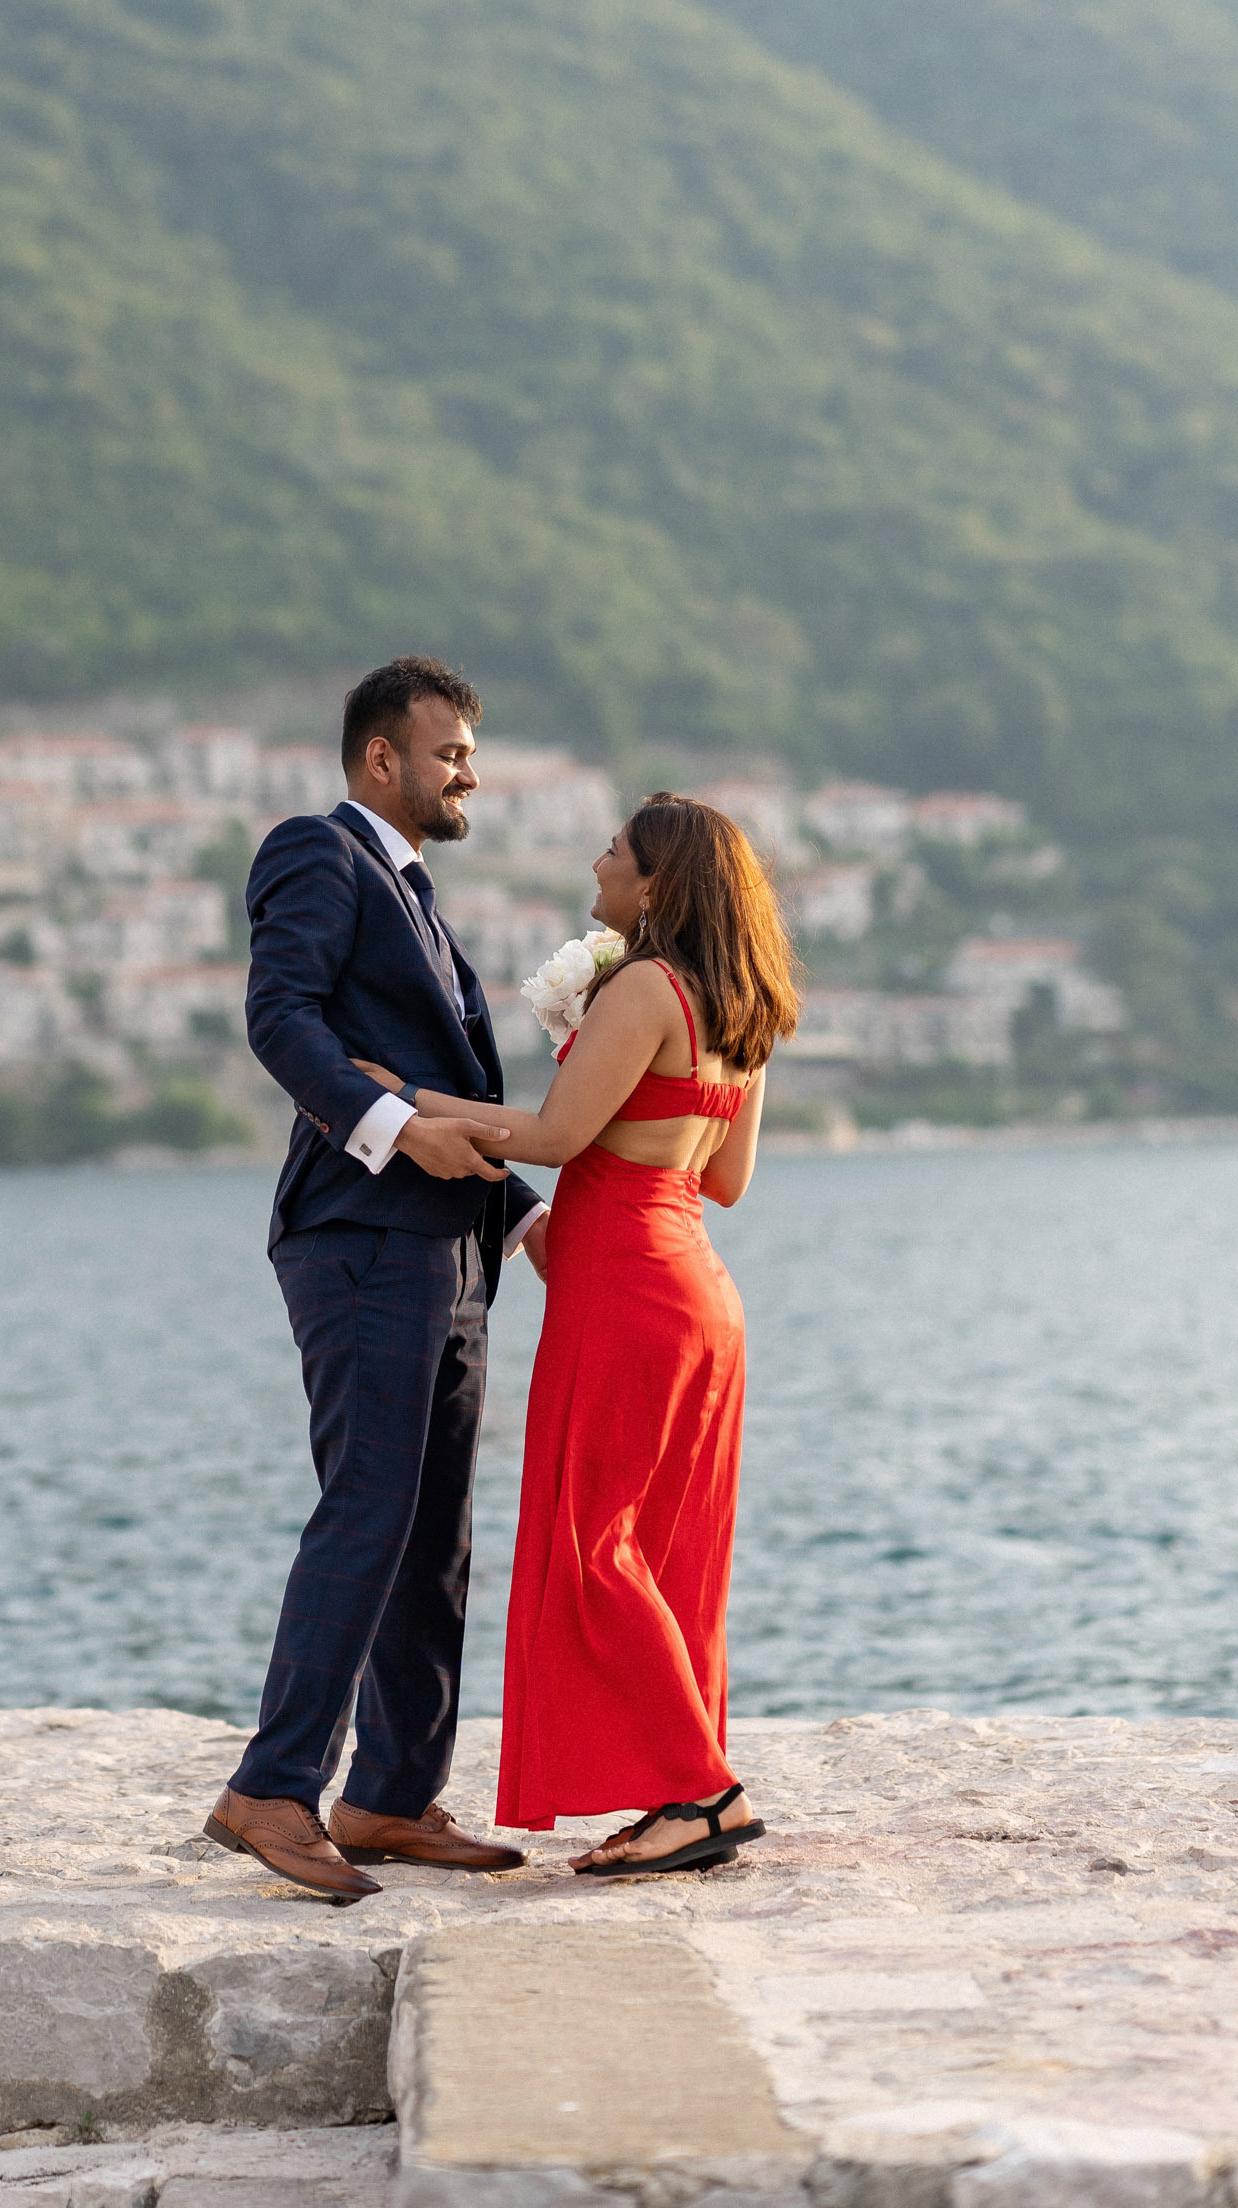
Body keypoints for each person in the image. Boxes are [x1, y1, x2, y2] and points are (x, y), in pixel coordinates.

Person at [373, 793, 797, 1877]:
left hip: (622, 1293)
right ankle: (675, 1787)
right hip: (698, 1287)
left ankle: (703, 1793)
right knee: (664, 1553)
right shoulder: (740, 1007)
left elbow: (559, 1138)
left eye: (613, 849)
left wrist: (404, 1097)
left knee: (592, 1541)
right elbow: (725, 1181)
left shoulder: (647, 985)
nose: (596, 860)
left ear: (655, 885)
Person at [204, 656, 548, 1903]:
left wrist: (519, 1220)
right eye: (450, 750)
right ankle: (269, 1791)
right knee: (366, 1507)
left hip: (447, 1249)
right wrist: (395, 1130)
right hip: (357, 1235)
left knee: (432, 1532)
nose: (469, 772)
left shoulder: (416, 895)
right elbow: (280, 1018)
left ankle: (390, 1797)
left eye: (469, 751)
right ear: (379, 760)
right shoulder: (317, 852)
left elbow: (424, 1074)